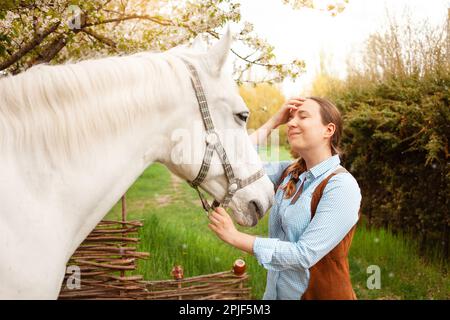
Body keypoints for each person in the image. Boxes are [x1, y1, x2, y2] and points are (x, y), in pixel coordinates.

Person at [208, 96, 362, 300]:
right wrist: (273, 122)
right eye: (290, 118)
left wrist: (235, 237)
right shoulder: (288, 172)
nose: (291, 123)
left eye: (303, 116)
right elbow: (238, 160)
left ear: (328, 130)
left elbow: (303, 255)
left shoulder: (341, 186)